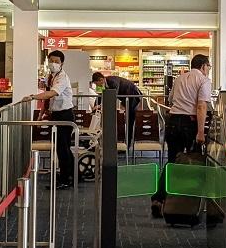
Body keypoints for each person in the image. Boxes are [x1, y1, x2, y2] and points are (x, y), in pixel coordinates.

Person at [154, 55, 212, 217]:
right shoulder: (203, 80)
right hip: (190, 123)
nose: (208, 69)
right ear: (203, 66)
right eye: (209, 66)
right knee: (194, 161)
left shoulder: (179, 78)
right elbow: (201, 106)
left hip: (173, 121)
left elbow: (171, 99)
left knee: (172, 161)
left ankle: (159, 198)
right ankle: (186, 203)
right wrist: (200, 131)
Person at [36, 50, 75, 188]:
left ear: (62, 63)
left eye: (56, 61)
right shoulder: (51, 76)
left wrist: (33, 97)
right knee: (63, 147)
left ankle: (66, 179)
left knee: (63, 148)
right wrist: (41, 115)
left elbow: (52, 93)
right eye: (51, 61)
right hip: (57, 114)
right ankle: (72, 175)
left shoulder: (62, 77)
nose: (53, 64)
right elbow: (47, 100)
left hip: (65, 115)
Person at [91, 71, 141, 148]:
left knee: (130, 120)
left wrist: (101, 105)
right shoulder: (105, 83)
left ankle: (128, 144)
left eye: (97, 84)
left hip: (133, 96)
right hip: (126, 98)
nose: (97, 86)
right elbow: (101, 95)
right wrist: (96, 106)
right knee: (126, 120)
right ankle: (125, 142)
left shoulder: (113, 82)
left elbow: (113, 96)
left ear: (101, 79)